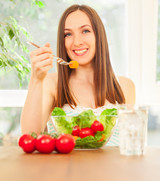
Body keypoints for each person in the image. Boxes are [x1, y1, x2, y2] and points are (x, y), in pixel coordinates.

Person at [20, 4, 135, 145]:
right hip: (66, 168)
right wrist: (36, 80)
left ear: (99, 36)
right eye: (68, 34)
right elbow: (30, 137)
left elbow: (130, 144)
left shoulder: (125, 86)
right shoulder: (51, 83)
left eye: (85, 31)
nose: (77, 42)